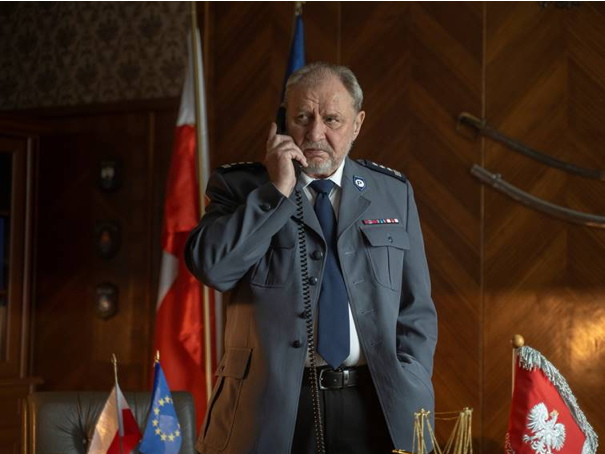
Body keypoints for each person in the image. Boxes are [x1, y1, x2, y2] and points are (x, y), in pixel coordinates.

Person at [185, 62, 437, 454]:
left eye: (332, 119)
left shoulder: (393, 193)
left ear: (357, 124)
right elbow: (213, 268)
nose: (316, 133)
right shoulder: (239, 187)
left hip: (376, 405)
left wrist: (411, 377)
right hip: (270, 409)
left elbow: (415, 307)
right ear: (282, 121)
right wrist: (277, 191)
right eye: (302, 117)